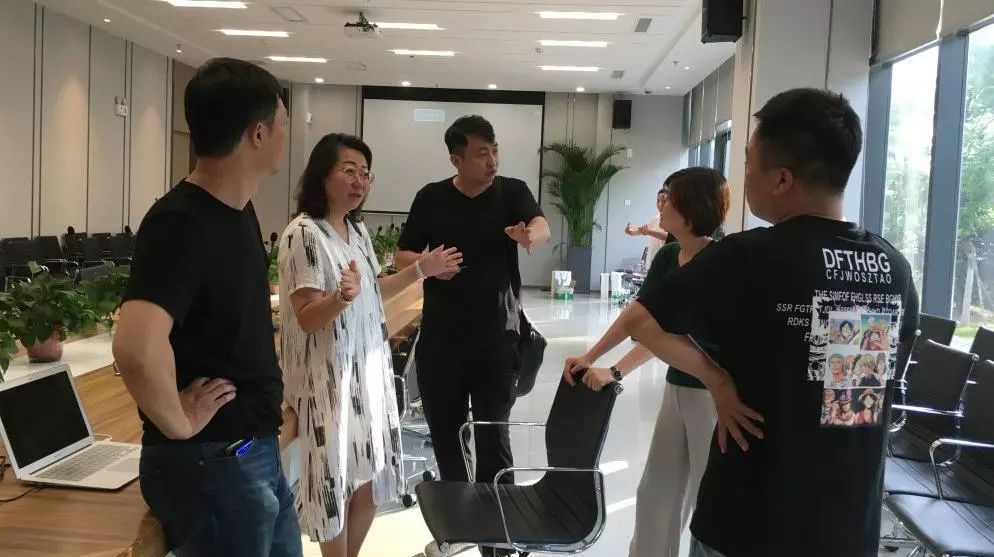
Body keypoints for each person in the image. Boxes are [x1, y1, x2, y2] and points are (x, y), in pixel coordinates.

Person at [564, 88, 920, 557]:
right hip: (846, 522)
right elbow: (870, 386)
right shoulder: (892, 267)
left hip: (750, 515)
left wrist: (716, 381)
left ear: (782, 179)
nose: (744, 177)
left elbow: (642, 318)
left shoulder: (748, 257)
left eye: (749, 165)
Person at [112, 58, 303, 557]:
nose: (287, 135)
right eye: (283, 123)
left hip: (247, 452)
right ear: (258, 133)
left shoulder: (238, 210)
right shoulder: (181, 222)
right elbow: (135, 347)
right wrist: (178, 421)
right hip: (213, 463)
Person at [277, 134, 462, 557]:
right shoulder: (304, 234)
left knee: (371, 481)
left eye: (365, 173)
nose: (360, 182)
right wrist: (341, 298)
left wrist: (422, 269)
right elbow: (307, 317)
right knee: (336, 485)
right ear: (322, 176)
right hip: (328, 381)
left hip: (367, 374)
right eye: (349, 171)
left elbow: (373, 290)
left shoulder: (355, 228)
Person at [394, 115, 550, 557]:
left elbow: (541, 225)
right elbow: (403, 252)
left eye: (495, 150)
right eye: (482, 153)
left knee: (493, 439)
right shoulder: (431, 198)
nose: (492, 160)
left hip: (497, 342)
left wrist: (529, 236)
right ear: (456, 160)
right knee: (447, 440)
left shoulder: (511, 191)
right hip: (441, 344)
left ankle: (499, 541)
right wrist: (427, 265)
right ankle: (461, 528)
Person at [567, 167, 729, 557]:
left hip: (714, 396)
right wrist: (591, 357)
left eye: (668, 197)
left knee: (708, 498)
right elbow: (639, 318)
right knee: (657, 491)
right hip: (678, 387)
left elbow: (664, 334)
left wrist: (614, 369)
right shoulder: (670, 255)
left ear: (690, 209)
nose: (661, 203)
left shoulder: (721, 262)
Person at [625, 187, 670, 264]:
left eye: (664, 201)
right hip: (652, 263)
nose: (660, 204)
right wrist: (630, 231)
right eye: (658, 200)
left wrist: (648, 232)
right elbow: (641, 231)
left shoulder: (674, 219)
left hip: (665, 263)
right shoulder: (655, 220)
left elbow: (669, 236)